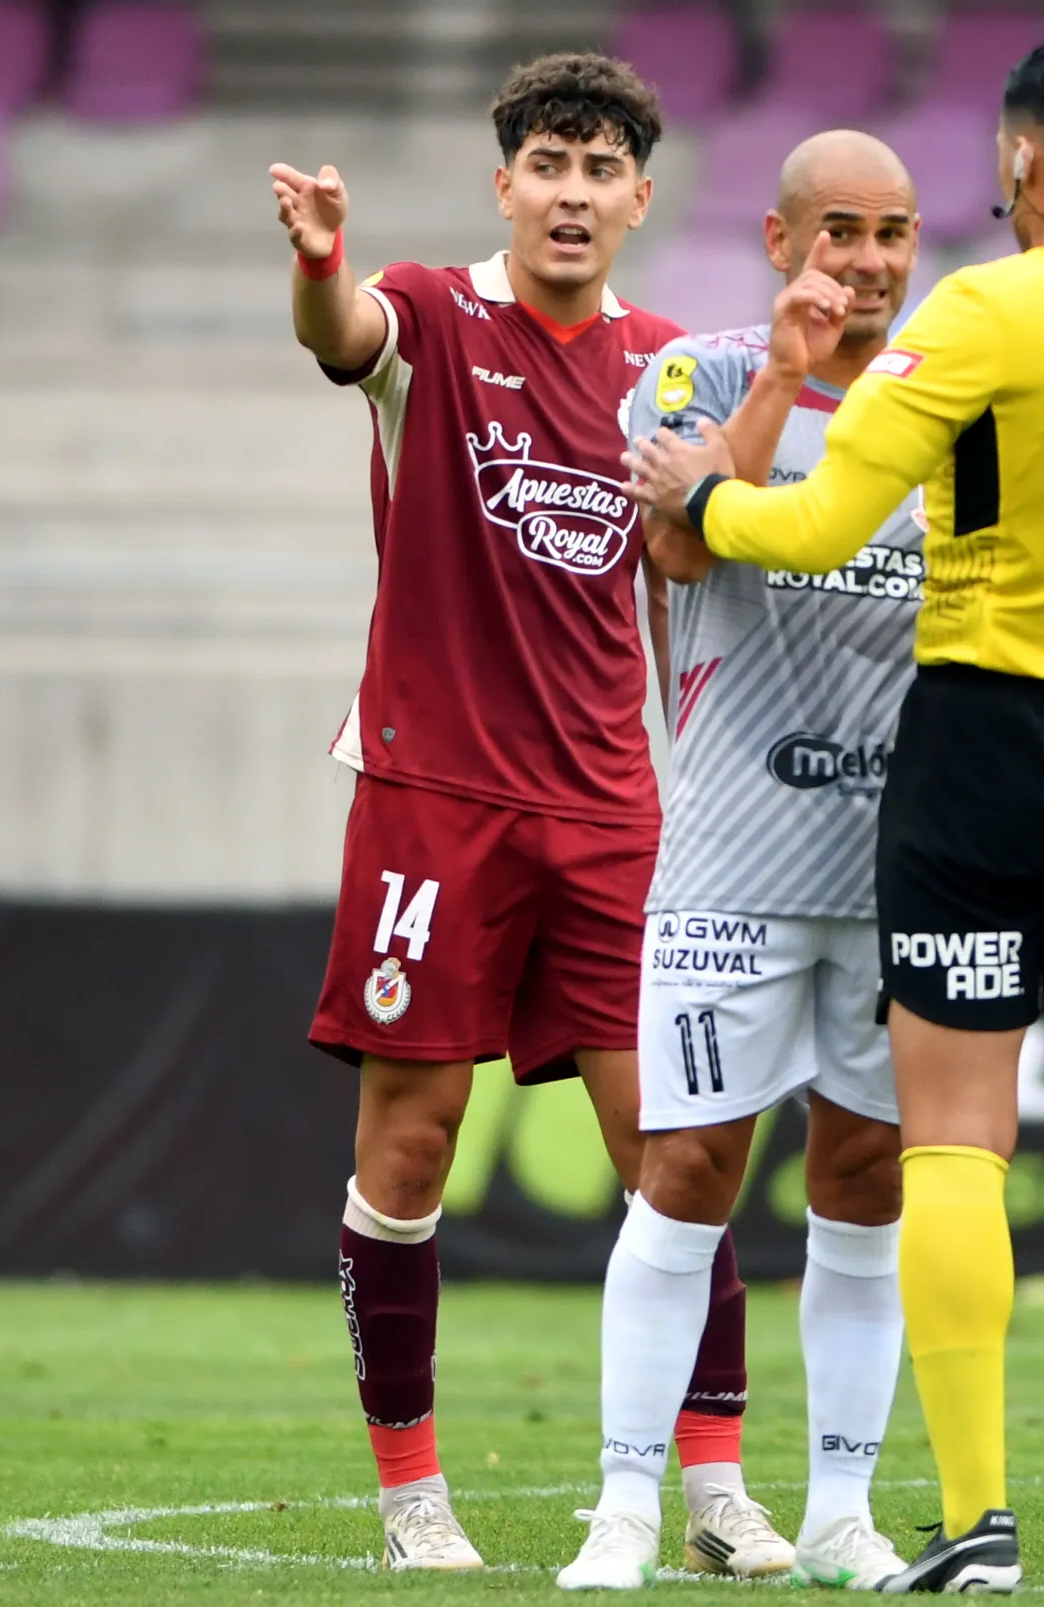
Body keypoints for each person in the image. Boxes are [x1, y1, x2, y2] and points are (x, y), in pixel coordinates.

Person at [625, 36, 1044, 1597]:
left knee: (956, 1146)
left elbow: (818, 521)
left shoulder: (978, 311)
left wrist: (702, 500)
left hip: (982, 747)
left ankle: (976, 1523)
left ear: (1019, 163)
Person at [270, 53, 780, 1572]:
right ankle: (411, 1496)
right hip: (433, 798)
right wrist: (321, 267)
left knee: (679, 1153)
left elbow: (711, 553)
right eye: (546, 165)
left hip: (613, 809)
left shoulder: (671, 367)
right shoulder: (430, 312)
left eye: (598, 169)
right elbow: (341, 337)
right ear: (505, 186)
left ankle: (715, 1493)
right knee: (411, 1146)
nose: (571, 192)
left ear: (639, 198)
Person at [557, 129, 926, 1593]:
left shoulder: (948, 397)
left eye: (892, 232)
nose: (868, 261)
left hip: (900, 867)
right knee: (688, 1166)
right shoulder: (695, 376)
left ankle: (840, 1512)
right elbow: (684, 552)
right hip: (732, 859)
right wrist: (783, 373)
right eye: (840, 230)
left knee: (869, 1178)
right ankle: (625, 1507)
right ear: (780, 241)